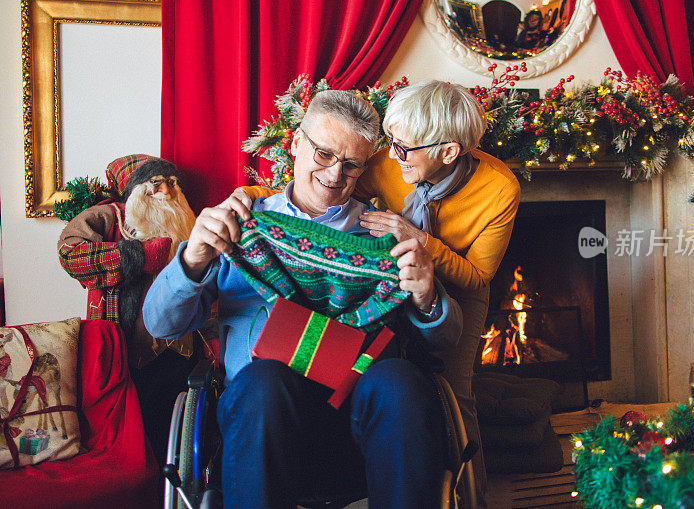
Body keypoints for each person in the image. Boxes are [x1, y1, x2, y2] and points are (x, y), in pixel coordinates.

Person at [143, 90, 462, 508]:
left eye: (351, 164)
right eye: (324, 154)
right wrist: (194, 256)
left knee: (401, 381)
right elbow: (159, 324)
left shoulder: (385, 236)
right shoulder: (240, 225)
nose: (335, 174)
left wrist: (427, 295)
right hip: (262, 421)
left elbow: (446, 339)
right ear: (295, 144)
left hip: (363, 416)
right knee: (263, 380)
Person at [239, 80, 521, 508]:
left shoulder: (500, 189)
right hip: (384, 267)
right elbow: (317, 189)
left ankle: (476, 497)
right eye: (390, 142)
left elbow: (478, 275)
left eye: (404, 149)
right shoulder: (382, 163)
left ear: (448, 152)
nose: (391, 155)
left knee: (454, 392)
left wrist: (421, 251)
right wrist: (250, 199)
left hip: (455, 279)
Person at [57, 154, 199, 462]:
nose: (166, 192)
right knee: (130, 432)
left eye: (172, 183)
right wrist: (134, 256)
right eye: (155, 184)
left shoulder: (187, 223)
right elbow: (70, 252)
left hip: (180, 348)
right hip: (124, 347)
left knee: (174, 432)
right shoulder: (110, 216)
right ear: (135, 188)